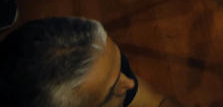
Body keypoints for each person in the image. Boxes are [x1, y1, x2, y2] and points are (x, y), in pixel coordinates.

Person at [0, 16, 182, 106]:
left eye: (120, 68)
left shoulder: (103, 67)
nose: (130, 83)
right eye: (112, 91)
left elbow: (153, 103)